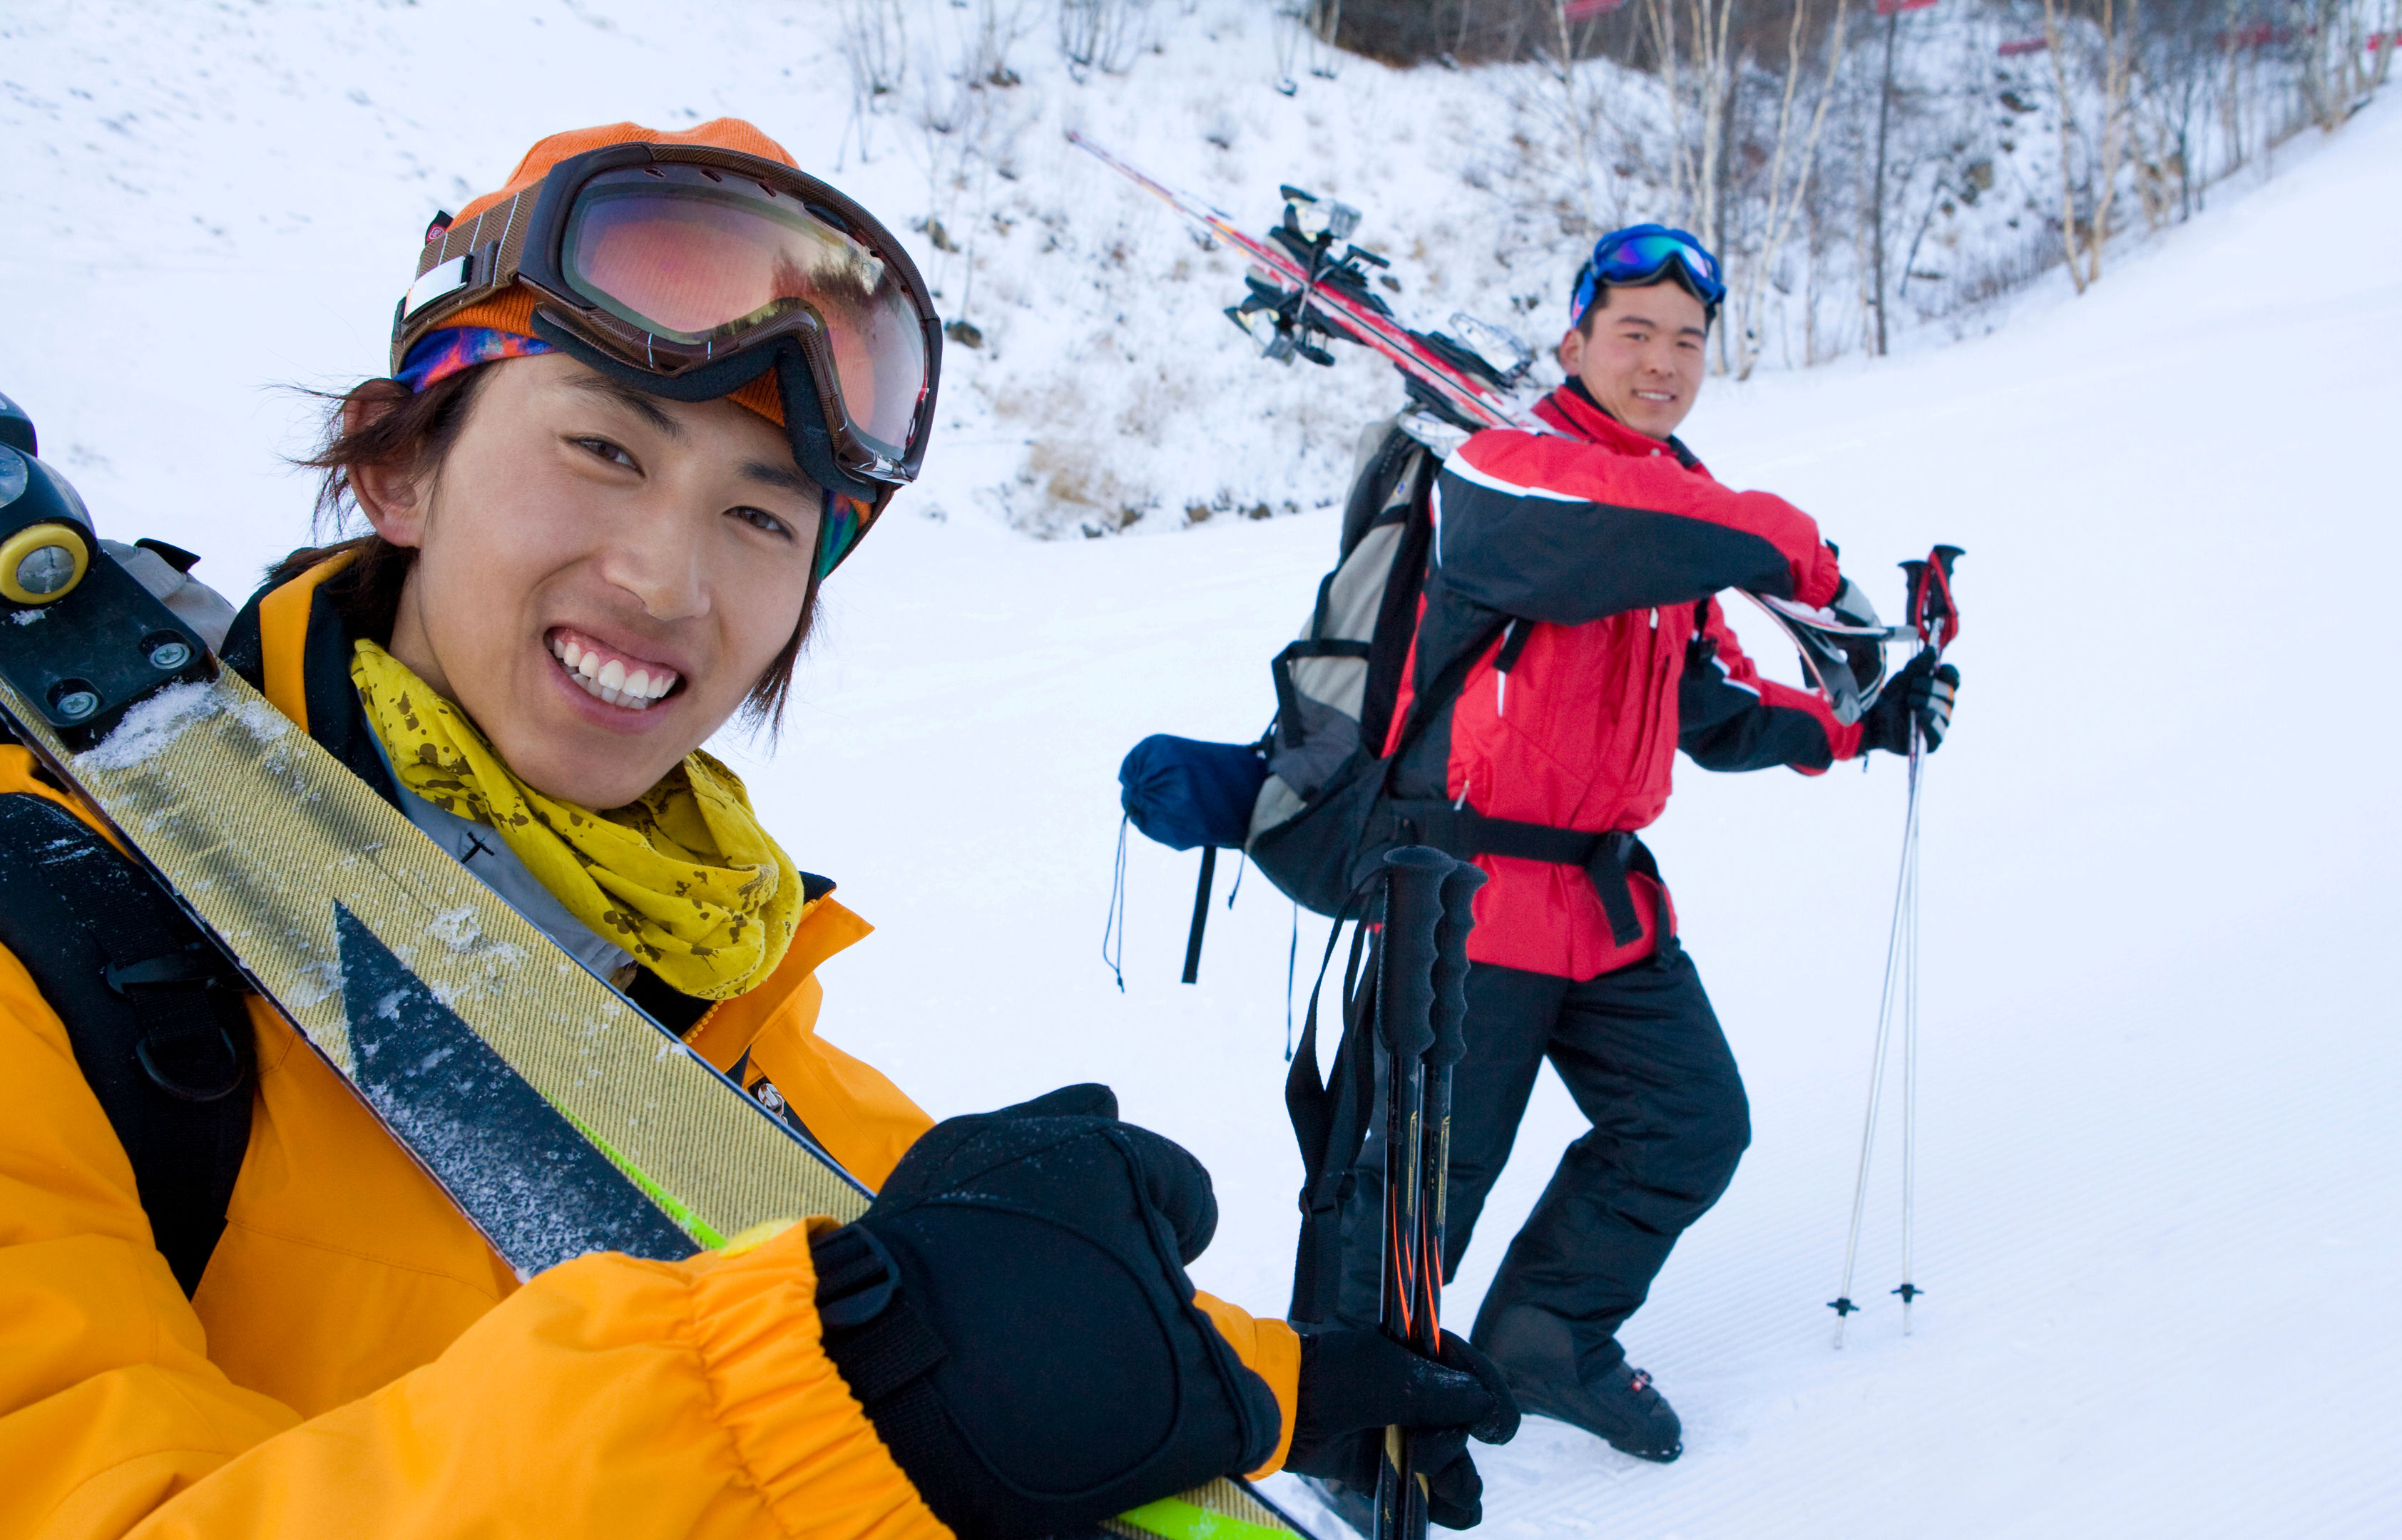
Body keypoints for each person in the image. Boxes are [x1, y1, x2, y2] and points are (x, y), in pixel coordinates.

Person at [0, 119, 1512, 1538]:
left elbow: (885, 1254)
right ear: (403, 467)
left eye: (762, 516)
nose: (669, 582)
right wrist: (813, 1393)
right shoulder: (49, 943)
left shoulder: (695, 977)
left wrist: (1268, 1389)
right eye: (604, 449)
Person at [1331, 224, 1959, 1464]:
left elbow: (1712, 701)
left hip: (1607, 908)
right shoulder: (1509, 471)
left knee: (1688, 1124)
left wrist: (1858, 725)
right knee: (1424, 1192)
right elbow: (1593, 518)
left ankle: (1548, 1337)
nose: (1664, 360)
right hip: (1468, 892)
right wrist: (1771, 531)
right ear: (1574, 343)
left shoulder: (1674, 523)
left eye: (1688, 340)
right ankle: (1355, 1424)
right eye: (1634, 334)